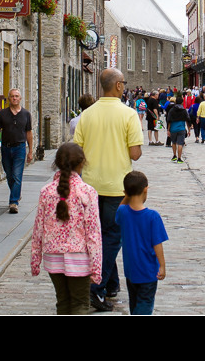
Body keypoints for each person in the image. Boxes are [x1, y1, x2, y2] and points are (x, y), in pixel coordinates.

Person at [73, 68, 144, 312]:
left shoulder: (87, 114)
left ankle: (111, 284)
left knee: (95, 236)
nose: (124, 85)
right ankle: (96, 287)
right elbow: (135, 152)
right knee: (112, 237)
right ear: (118, 86)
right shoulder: (128, 114)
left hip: (90, 186)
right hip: (116, 185)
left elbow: (77, 152)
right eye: (123, 82)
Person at [30, 142, 102, 315]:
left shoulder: (46, 191)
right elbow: (93, 232)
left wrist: (35, 260)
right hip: (79, 257)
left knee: (62, 302)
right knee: (80, 304)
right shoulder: (87, 191)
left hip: (53, 256)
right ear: (81, 163)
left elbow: (38, 228)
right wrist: (97, 266)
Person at [116, 171, 168, 315]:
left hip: (131, 271)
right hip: (148, 271)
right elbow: (157, 244)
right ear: (146, 189)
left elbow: (119, 211)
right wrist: (162, 265)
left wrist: (126, 197)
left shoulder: (123, 212)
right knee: (144, 305)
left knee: (134, 304)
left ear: (125, 192)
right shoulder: (153, 217)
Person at [0, 88, 33, 214]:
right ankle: (16, 192)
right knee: (9, 175)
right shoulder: (3, 114)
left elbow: (29, 133)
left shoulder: (26, 114)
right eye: (12, 96)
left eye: (16, 96)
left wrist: (30, 151)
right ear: (8, 98)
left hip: (20, 148)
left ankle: (13, 202)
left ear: (20, 98)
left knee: (16, 175)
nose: (14, 98)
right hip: (6, 148)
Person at [166, 94, 191, 163]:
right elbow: (187, 120)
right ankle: (179, 158)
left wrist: (168, 130)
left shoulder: (172, 110)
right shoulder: (184, 110)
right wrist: (189, 130)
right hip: (181, 128)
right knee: (180, 143)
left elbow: (169, 121)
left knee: (173, 142)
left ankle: (174, 156)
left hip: (173, 128)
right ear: (182, 102)